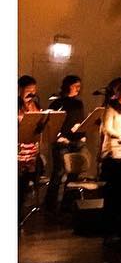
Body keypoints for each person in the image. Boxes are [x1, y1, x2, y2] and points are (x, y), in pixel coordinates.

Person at [43, 75, 85, 211]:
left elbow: (80, 120)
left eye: (79, 86)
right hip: (61, 142)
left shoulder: (78, 103)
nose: (78, 89)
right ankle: (50, 204)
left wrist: (82, 133)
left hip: (76, 141)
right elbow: (52, 124)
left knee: (74, 173)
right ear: (67, 86)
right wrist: (60, 136)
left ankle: (68, 204)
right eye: (75, 86)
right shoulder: (57, 103)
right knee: (59, 172)